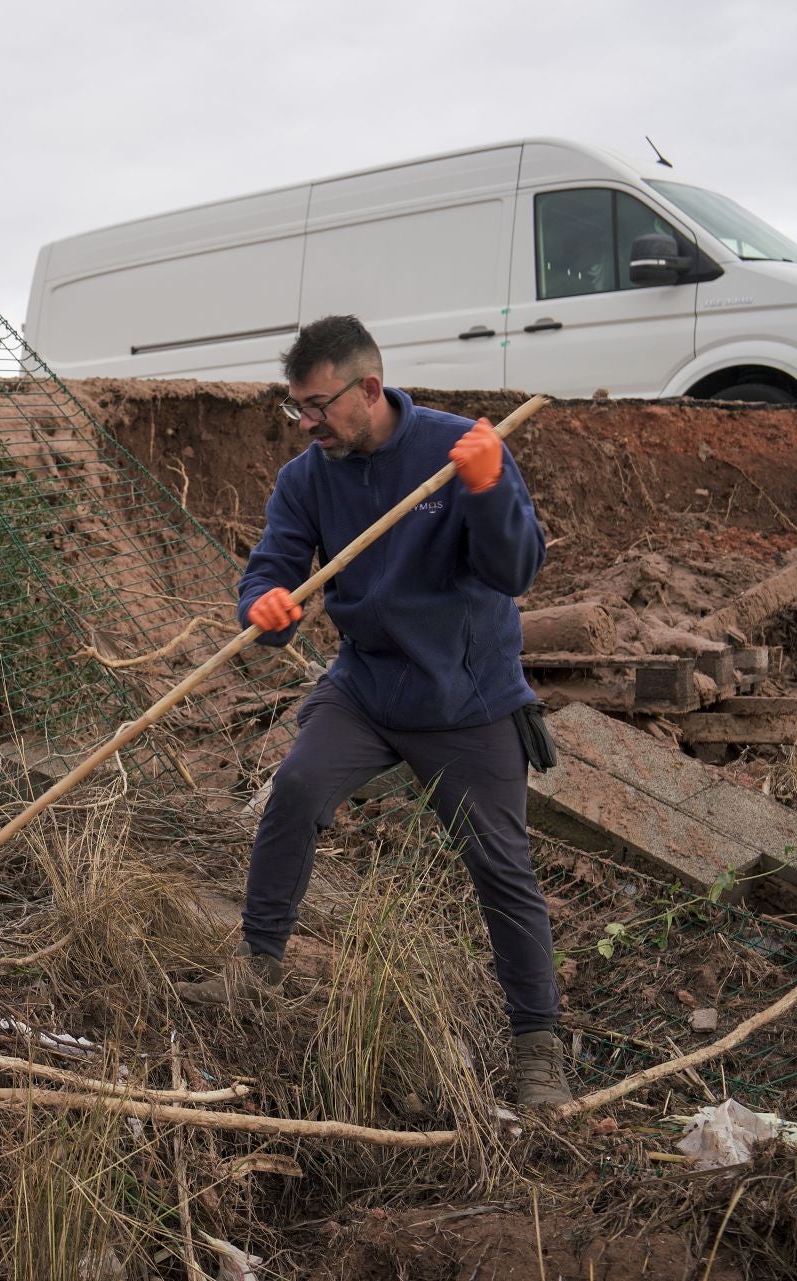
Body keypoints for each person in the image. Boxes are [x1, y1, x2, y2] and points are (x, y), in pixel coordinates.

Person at [176, 315, 572, 1107]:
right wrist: (266, 607)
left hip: (469, 698)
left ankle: (538, 1050)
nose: (306, 423)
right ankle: (256, 968)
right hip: (366, 686)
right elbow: (270, 570)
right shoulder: (307, 478)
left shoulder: (462, 449)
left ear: (368, 387)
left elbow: (516, 570)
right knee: (295, 788)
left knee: (500, 863)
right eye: (297, 408)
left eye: (318, 404)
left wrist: (489, 488)